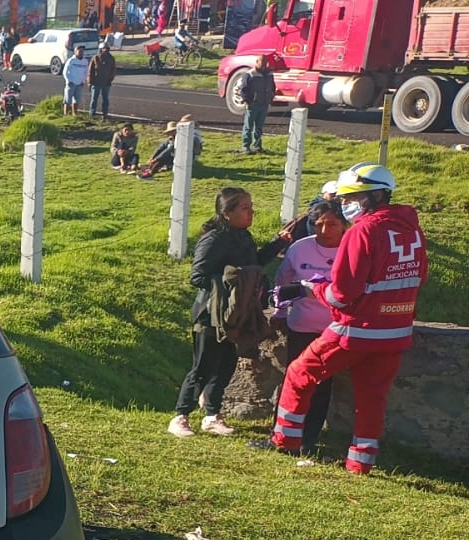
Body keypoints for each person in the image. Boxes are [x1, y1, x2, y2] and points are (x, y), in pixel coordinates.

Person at [264, 164, 427, 473]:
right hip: (396, 331)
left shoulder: (363, 231)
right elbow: (419, 278)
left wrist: (311, 290)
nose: (345, 204)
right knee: (371, 396)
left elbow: (342, 294)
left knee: (299, 373)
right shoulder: (412, 230)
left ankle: (284, 440)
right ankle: (360, 463)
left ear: (377, 195)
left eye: (353, 197)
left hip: (356, 329)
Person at [168, 187, 282, 437]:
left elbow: (254, 263)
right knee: (203, 366)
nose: (252, 212)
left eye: (251, 207)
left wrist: (278, 244)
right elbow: (198, 276)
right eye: (245, 208)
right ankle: (181, 416)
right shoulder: (214, 238)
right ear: (227, 212)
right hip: (211, 313)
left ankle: (212, 415)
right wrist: (232, 281)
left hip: (237, 315)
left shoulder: (244, 237)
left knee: (226, 365)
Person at [267, 199, 346, 455]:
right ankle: (281, 433)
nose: (324, 231)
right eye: (318, 224)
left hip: (334, 328)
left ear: (344, 224)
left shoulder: (352, 248)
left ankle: (308, 439)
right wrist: (279, 311)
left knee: (322, 384)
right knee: (292, 379)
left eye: (332, 224)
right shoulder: (300, 249)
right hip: (300, 325)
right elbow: (283, 279)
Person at [241, 55, 274, 154]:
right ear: (257, 62)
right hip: (253, 105)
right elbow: (244, 89)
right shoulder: (250, 74)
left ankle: (257, 146)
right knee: (248, 126)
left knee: (259, 126)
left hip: (264, 104)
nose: (264, 64)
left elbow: (273, 87)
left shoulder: (269, 74)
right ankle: (246, 146)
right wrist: (247, 101)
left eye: (265, 62)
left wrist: (270, 97)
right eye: (262, 62)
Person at [89, 43, 117, 119]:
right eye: (104, 48)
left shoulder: (111, 58)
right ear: (100, 49)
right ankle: (92, 113)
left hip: (106, 83)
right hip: (96, 82)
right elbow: (90, 71)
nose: (106, 50)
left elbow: (113, 69)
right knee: (94, 98)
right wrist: (90, 82)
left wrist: (110, 78)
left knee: (105, 99)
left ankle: (105, 114)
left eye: (107, 48)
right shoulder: (95, 58)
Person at [62, 44, 91, 116]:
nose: (81, 52)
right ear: (75, 51)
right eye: (79, 51)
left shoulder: (85, 61)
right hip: (71, 83)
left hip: (79, 84)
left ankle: (74, 114)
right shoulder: (71, 60)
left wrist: (83, 81)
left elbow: (86, 72)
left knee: (76, 100)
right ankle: (66, 115)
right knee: (67, 100)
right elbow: (65, 72)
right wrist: (68, 81)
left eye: (82, 51)